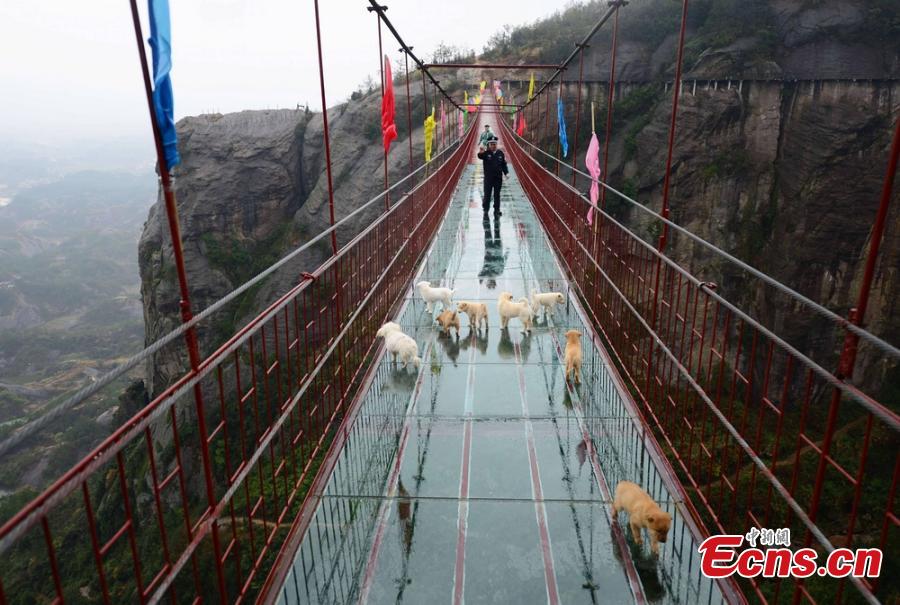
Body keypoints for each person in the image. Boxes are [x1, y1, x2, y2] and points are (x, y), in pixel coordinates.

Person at [477, 137, 509, 216]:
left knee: (497, 194)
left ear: (496, 144)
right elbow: (480, 156)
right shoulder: (486, 153)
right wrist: (480, 152)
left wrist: (506, 173)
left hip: (498, 178)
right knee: (487, 194)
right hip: (488, 179)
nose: (493, 146)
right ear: (489, 145)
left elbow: (503, 164)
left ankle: (497, 210)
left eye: (494, 144)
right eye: (491, 144)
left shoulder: (500, 153)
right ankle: (486, 209)